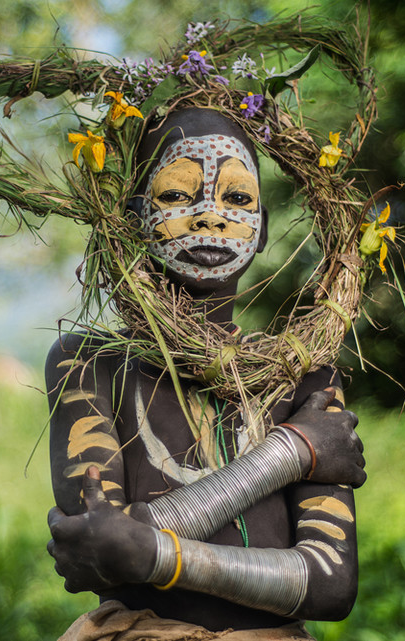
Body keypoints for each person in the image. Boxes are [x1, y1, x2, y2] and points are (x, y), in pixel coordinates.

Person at [45, 107, 367, 640]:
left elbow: (332, 586)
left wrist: (151, 551)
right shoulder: (91, 362)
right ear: (132, 220)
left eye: (238, 199)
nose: (210, 217)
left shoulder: (305, 378)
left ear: (261, 230)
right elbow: (98, 547)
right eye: (175, 195)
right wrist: (290, 454)